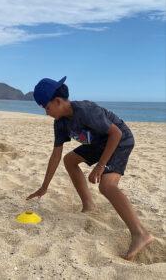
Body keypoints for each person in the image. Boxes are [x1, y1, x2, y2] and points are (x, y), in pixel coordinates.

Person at [26, 76, 154, 261]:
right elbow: (56, 155)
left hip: (119, 140)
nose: (46, 113)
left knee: (107, 186)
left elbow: (115, 133)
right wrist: (44, 186)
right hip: (97, 143)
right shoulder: (60, 122)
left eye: (46, 108)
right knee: (69, 160)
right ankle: (88, 205)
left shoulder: (85, 110)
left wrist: (100, 166)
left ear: (58, 101)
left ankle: (141, 234)